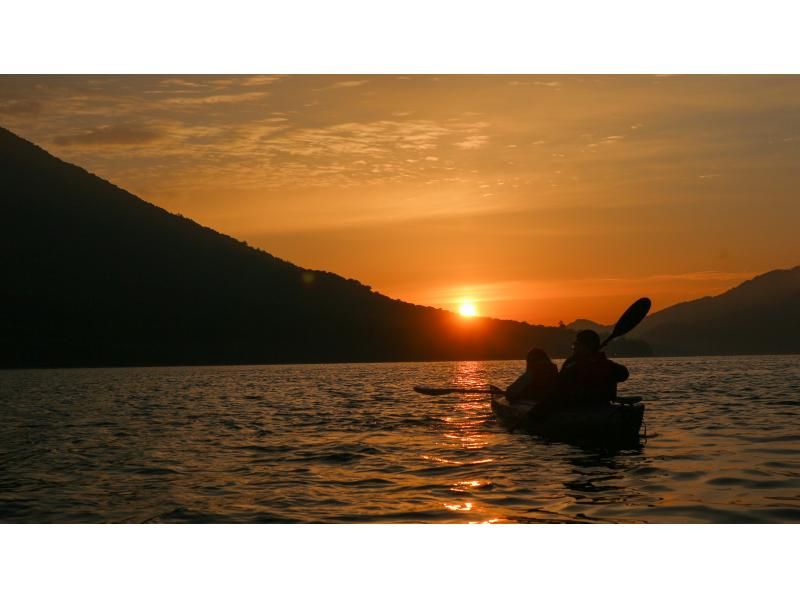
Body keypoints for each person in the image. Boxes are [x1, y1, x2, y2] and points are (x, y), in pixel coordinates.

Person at [558, 329, 629, 405]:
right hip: (597, 407)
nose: (574, 348)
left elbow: (624, 374)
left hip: (581, 408)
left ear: (585, 347)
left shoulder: (572, 363)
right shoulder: (572, 362)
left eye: (576, 345)